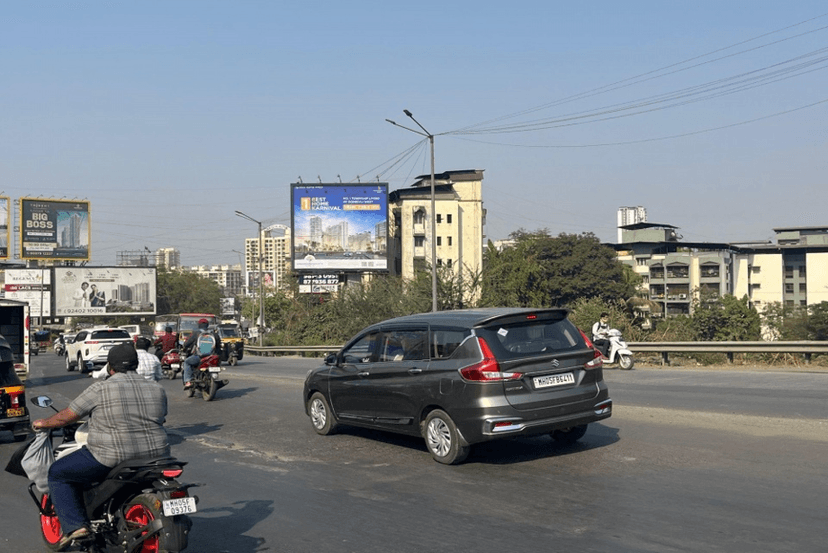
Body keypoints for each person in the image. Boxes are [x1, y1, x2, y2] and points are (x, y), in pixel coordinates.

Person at [31, 343, 169, 549]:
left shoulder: (100, 388)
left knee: (58, 473)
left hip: (111, 455)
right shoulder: (157, 388)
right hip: (158, 454)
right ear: (136, 364)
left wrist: (43, 422)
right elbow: (160, 417)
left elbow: (67, 416)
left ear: (109, 366)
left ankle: (76, 527)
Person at [181, 318, 221, 389]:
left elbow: (187, 343)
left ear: (199, 325)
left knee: (187, 362)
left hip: (199, 357)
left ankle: (188, 381)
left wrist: (184, 345)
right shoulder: (214, 334)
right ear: (207, 325)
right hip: (212, 357)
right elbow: (219, 346)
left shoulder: (196, 333)